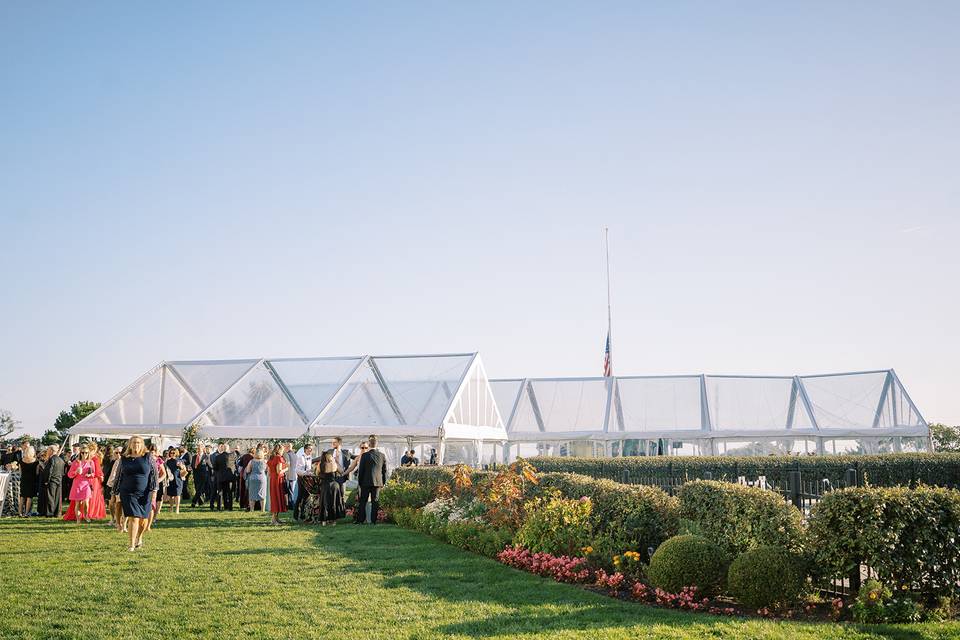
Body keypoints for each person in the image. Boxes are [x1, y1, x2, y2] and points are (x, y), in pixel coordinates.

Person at [118, 436, 156, 551]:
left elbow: (154, 474)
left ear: (142, 444)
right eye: (134, 442)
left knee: (143, 520)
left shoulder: (148, 457)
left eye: (139, 443)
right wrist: (115, 492)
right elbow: (119, 476)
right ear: (130, 444)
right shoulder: (124, 458)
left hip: (145, 493)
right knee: (134, 517)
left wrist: (154, 490)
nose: (136, 445)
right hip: (128, 492)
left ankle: (139, 537)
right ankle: (131, 544)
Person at [356, 435, 387, 525]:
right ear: (376, 444)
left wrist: (360, 482)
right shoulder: (382, 455)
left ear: (369, 444)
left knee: (363, 501)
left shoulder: (365, 455)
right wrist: (383, 483)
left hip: (365, 482)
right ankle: (373, 521)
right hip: (377, 482)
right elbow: (384, 471)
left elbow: (361, 470)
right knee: (375, 502)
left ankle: (361, 520)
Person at [313, 451, 345, 526]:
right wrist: (336, 462)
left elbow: (317, 474)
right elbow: (342, 472)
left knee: (325, 502)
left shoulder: (320, 465)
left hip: (325, 485)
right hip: (334, 485)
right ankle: (333, 521)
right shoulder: (334, 464)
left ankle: (324, 520)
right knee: (334, 502)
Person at [66, 445, 96, 523]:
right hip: (77, 484)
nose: (84, 454)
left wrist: (90, 475)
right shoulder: (76, 462)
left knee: (86, 502)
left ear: (88, 453)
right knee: (78, 503)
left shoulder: (91, 462)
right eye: (82, 453)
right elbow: (69, 474)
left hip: (86, 484)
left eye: (86, 453)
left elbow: (93, 473)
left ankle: (86, 516)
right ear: (80, 453)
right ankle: (78, 519)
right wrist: (76, 472)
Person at [39, 445, 65, 517]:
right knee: (57, 498)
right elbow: (63, 472)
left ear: (51, 451)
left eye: (48, 450)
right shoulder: (61, 460)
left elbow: (49, 471)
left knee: (50, 497)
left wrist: (47, 480)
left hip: (52, 480)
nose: (47, 451)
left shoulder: (51, 459)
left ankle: (50, 513)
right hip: (59, 480)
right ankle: (57, 513)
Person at [266, 444, 288, 525]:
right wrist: (286, 469)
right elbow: (279, 471)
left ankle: (276, 519)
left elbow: (268, 471)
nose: (283, 452)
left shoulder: (271, 458)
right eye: (282, 450)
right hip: (278, 480)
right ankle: (274, 520)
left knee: (275, 498)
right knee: (276, 498)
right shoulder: (278, 458)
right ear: (279, 450)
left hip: (273, 479)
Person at [293, 443, 314, 520]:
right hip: (301, 479)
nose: (311, 450)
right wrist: (306, 473)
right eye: (309, 449)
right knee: (300, 496)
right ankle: (296, 514)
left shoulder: (310, 457)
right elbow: (297, 470)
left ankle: (303, 513)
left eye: (311, 449)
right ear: (305, 449)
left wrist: (310, 471)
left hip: (308, 479)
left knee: (306, 496)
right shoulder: (300, 457)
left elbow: (308, 468)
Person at [214, 443, 237, 511]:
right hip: (230, 477)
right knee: (229, 493)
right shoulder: (232, 456)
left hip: (221, 476)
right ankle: (229, 507)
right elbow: (235, 464)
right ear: (228, 449)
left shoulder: (218, 457)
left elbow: (215, 467)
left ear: (223, 448)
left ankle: (219, 507)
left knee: (220, 492)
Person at [17, 443, 38, 517]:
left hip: (24, 480)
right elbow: (37, 472)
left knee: (22, 497)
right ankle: (26, 513)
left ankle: (19, 513)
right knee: (29, 497)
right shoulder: (36, 461)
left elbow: (20, 472)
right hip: (32, 480)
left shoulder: (21, 460)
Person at [165, 448, 186, 514]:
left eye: (173, 453)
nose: (172, 454)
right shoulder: (168, 461)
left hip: (178, 479)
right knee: (171, 495)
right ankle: (171, 508)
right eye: (171, 453)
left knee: (177, 494)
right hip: (170, 479)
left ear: (176, 453)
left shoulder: (179, 460)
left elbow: (183, 468)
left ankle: (177, 509)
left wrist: (180, 465)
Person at [283, 443, 297, 512]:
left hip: (288, 474)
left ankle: (290, 505)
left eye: (285, 446)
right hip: (294, 474)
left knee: (288, 491)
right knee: (291, 491)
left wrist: (285, 473)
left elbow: (287, 464)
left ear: (287, 447)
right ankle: (292, 505)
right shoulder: (295, 454)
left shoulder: (286, 454)